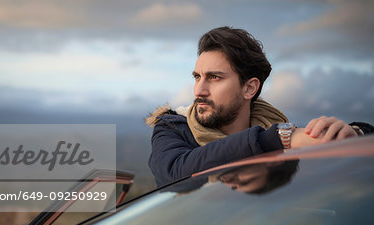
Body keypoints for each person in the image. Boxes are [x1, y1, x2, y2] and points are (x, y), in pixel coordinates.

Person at [147, 26, 372, 187]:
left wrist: (355, 134)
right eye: (197, 77)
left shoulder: (273, 127)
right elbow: (175, 173)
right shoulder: (174, 127)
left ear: (249, 88)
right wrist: (280, 139)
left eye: (214, 77)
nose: (199, 90)